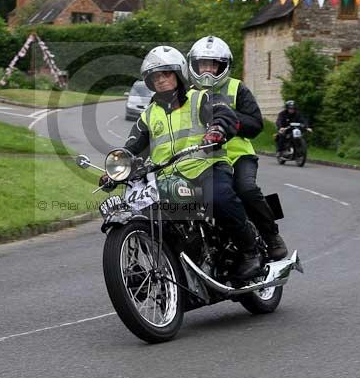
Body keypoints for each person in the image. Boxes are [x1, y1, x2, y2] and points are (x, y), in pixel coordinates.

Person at [100, 45, 263, 279]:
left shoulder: (200, 97)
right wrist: (117, 170)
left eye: (166, 74)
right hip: (168, 177)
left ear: (179, 74)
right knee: (148, 213)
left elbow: (223, 114)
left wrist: (216, 129)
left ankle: (250, 251)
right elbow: (132, 146)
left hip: (206, 167)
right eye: (155, 76)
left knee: (219, 197)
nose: (161, 80)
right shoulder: (149, 114)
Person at [187, 35, 288, 260]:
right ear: (194, 65)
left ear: (223, 66)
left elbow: (256, 124)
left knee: (246, 189)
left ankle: (271, 236)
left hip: (237, 155)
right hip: (201, 157)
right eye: (202, 64)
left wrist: (229, 120)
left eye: (213, 65)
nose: (207, 71)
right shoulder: (186, 94)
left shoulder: (236, 88)